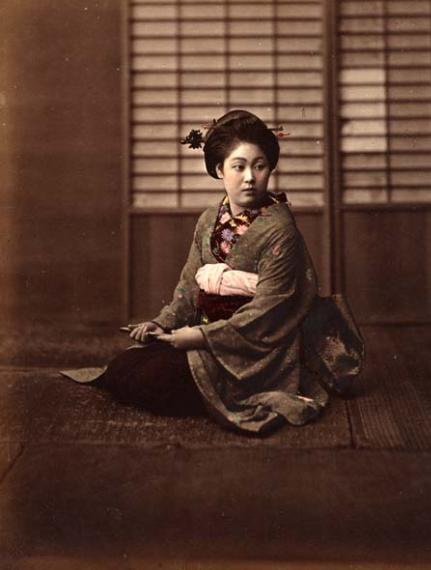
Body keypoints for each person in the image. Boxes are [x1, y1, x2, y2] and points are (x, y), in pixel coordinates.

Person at [62, 110, 364, 434]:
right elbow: (190, 285)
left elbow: (269, 309)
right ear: (220, 170)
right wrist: (161, 323)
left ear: (270, 169)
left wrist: (201, 337)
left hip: (254, 346)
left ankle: (212, 388)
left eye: (259, 166)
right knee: (123, 367)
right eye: (239, 166)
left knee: (151, 380)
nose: (250, 177)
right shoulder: (209, 219)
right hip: (205, 329)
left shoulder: (280, 229)